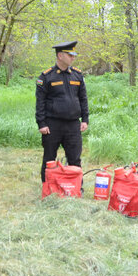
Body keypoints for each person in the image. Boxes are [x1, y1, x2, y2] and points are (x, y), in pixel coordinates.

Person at [35, 41, 89, 182]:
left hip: (73, 125)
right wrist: (41, 123)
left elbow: (83, 99)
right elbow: (40, 102)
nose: (73, 57)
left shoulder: (77, 75)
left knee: (74, 159)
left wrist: (85, 119)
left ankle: (76, 187)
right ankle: (48, 186)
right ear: (60, 55)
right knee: (49, 159)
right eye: (70, 55)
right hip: (52, 125)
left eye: (74, 55)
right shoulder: (46, 76)